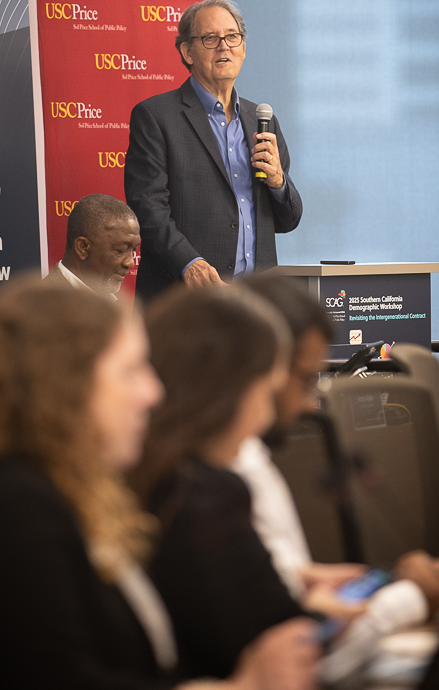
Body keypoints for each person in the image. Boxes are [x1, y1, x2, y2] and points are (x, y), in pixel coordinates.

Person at [0, 279, 317, 690]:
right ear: (66, 384)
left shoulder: (77, 492)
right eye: (131, 372)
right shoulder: (14, 507)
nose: (153, 392)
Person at [129, 284, 308, 680]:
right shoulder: (204, 497)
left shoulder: (137, 484)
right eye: (265, 394)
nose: (264, 418)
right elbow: (284, 640)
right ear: (221, 392)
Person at [124, 0, 302, 300]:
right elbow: (149, 208)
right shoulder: (156, 116)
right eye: (210, 38)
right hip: (186, 299)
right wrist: (188, 263)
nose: (224, 46)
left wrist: (278, 183)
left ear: (243, 48)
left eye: (233, 37)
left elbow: (288, 220)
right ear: (187, 51)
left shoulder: (263, 120)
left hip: (256, 301)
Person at [233, 273, 362, 603]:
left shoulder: (251, 456)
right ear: (263, 366)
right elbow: (284, 634)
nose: (309, 403)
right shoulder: (222, 479)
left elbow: (286, 583)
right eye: (305, 380)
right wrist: (409, 597)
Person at [43, 194, 140, 296]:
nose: (130, 263)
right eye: (120, 250)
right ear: (83, 247)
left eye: (133, 250)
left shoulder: (113, 303)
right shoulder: (43, 306)